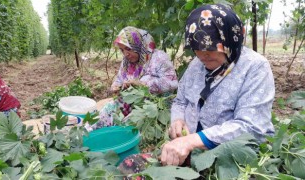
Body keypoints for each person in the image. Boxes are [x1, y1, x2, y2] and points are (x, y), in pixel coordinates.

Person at [160, 4, 275, 166]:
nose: (203, 54)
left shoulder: (255, 67)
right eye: (196, 47)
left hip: (232, 159)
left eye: (211, 46)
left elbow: (252, 127)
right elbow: (180, 101)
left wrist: (193, 140)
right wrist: (177, 120)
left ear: (230, 39)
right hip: (191, 153)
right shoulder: (196, 64)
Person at [85, 26, 178, 130]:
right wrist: (116, 87)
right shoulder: (126, 63)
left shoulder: (159, 58)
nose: (126, 54)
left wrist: (143, 84)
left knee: (126, 124)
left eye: (128, 49)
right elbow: (119, 80)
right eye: (122, 50)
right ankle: (86, 134)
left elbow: (172, 83)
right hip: (131, 104)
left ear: (138, 45)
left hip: (155, 107)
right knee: (107, 110)